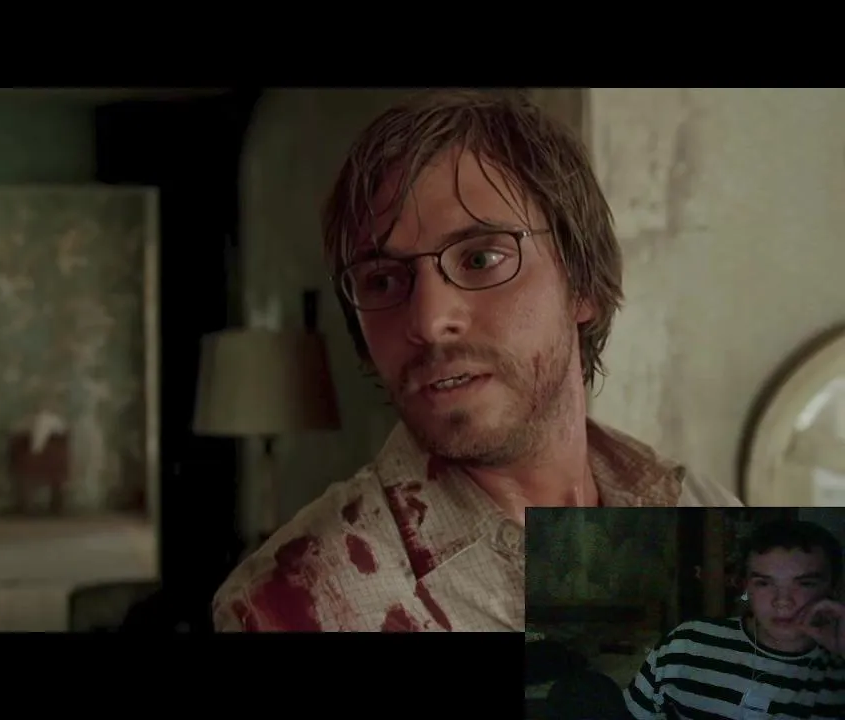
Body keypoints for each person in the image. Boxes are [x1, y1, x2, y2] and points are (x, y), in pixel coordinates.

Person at [211, 89, 742, 633]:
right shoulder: (291, 608)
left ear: (582, 285)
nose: (428, 320)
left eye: (482, 258)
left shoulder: (706, 519)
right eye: (383, 280)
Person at [624, 519, 845, 719]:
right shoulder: (687, 643)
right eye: (764, 583)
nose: (782, 601)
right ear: (747, 587)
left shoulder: (838, 669)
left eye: (804, 584)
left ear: (833, 588)